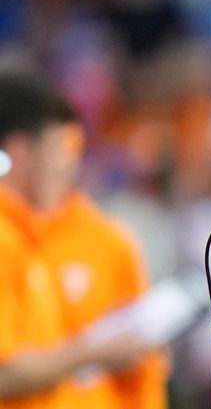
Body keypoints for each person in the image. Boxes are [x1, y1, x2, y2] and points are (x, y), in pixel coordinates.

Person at [0, 72, 168, 408]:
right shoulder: (12, 238)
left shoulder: (106, 239)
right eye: (58, 149)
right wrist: (93, 352)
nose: (69, 165)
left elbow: (144, 369)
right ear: (20, 151)